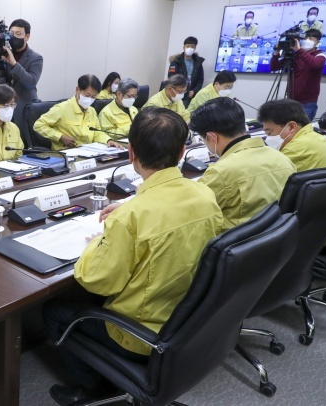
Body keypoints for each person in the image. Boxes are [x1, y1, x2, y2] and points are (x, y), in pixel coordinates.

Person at [43, 107, 222, 406]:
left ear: (131, 152)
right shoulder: (204, 195)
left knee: (54, 311)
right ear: (181, 152)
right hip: (189, 322)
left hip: (141, 335)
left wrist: (99, 242)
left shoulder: (131, 217)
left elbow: (96, 281)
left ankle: (91, 389)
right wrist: (132, 207)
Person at [190, 98, 296, 233]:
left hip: (234, 243)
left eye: (203, 139)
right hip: (276, 238)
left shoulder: (221, 173)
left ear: (212, 137)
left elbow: (194, 216)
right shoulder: (283, 158)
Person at [0, 19, 43, 137]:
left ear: (27, 36)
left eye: (18, 34)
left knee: (23, 140)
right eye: (11, 33)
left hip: (24, 108)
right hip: (3, 108)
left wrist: (14, 64)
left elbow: (30, 82)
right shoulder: (1, 52)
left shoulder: (36, 58)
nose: (14, 37)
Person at [33, 75, 123, 150]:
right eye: (87, 95)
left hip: (88, 152)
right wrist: (60, 137)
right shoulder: (62, 108)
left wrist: (108, 140)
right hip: (65, 153)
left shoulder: (91, 111)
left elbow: (97, 132)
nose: (89, 99)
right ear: (77, 90)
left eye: (93, 97)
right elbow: (38, 125)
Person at [258, 99, 326, 171]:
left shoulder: (293, 150)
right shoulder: (315, 136)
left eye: (269, 133)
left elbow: (267, 173)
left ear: (291, 127)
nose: (268, 138)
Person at [270, 29, 326, 120]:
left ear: (317, 42)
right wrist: (276, 53)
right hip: (290, 100)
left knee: (303, 127)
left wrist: (299, 50)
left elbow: (315, 64)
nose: (307, 40)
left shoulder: (319, 54)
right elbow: (274, 67)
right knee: (287, 126)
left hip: (307, 102)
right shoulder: (295, 55)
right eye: (305, 38)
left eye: (310, 38)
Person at [167, 36, 204, 107]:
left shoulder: (198, 62)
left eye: (192, 46)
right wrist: (181, 91)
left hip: (192, 95)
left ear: (195, 48)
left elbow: (200, 79)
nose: (190, 48)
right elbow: (171, 79)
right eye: (188, 46)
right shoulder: (176, 62)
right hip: (178, 94)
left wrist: (194, 91)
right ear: (183, 47)